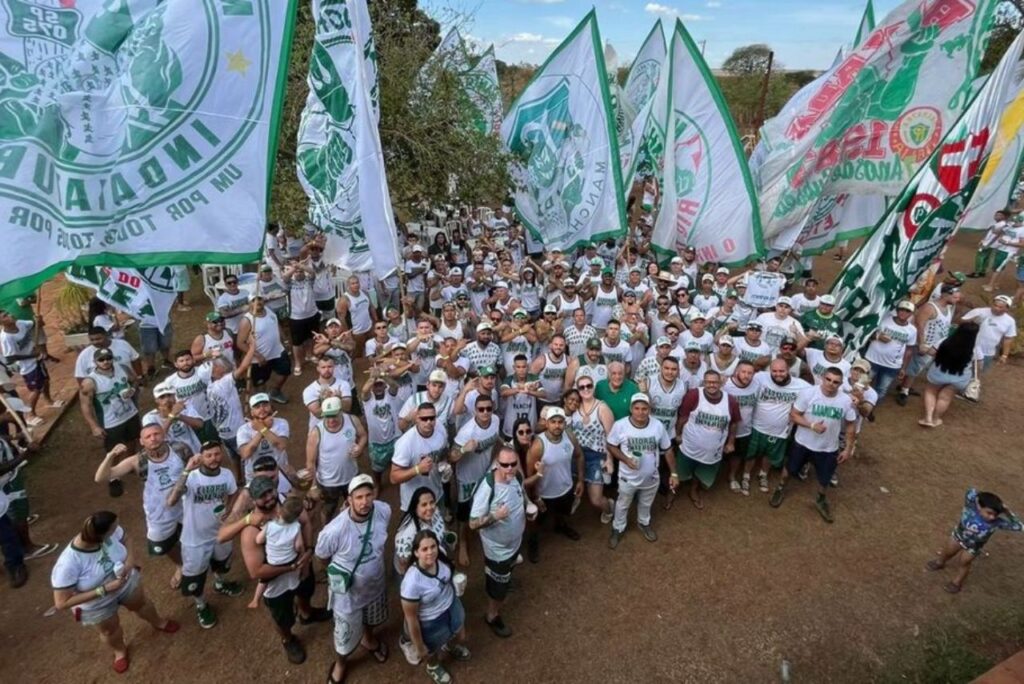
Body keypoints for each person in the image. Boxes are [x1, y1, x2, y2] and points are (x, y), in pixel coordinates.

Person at [50, 511, 179, 674]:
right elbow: (61, 603)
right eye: (114, 529)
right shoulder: (68, 564)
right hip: (96, 603)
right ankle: (120, 651)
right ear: (101, 536)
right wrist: (103, 589)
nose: (117, 530)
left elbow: (127, 538)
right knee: (109, 630)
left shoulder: (106, 532)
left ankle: (159, 622)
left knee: (142, 603)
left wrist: (130, 562)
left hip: (125, 582)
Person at [234, 475, 322, 665]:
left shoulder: (288, 507)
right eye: (262, 496)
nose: (268, 498)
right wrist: (290, 567)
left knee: (306, 591)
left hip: (300, 567)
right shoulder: (251, 530)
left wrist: (308, 552)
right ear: (253, 500)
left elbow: (305, 522)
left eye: (270, 491)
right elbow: (256, 572)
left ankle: (306, 614)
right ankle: (288, 639)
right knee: (282, 617)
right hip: (277, 583)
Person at [94, 420, 192, 590]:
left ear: (164, 435)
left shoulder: (180, 449)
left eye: (156, 434)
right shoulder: (136, 461)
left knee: (195, 532)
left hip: (186, 503)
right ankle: (180, 565)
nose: (153, 438)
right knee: (162, 545)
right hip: (159, 511)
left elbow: (196, 469)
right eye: (148, 436)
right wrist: (110, 456)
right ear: (141, 441)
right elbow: (101, 478)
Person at [316, 474, 391, 684]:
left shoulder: (383, 510)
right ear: (349, 499)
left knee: (372, 619)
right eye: (359, 497)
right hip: (348, 595)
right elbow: (322, 557)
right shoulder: (334, 530)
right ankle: (341, 664)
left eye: (368, 495)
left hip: (375, 584)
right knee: (344, 635)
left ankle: (368, 639)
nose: (364, 502)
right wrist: (337, 574)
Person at [167, 440, 243, 628]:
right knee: (195, 577)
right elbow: (172, 499)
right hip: (195, 538)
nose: (213, 459)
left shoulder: (226, 475)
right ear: (201, 457)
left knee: (222, 563)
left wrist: (229, 506)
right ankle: (201, 605)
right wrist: (186, 470)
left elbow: (233, 492)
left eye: (217, 454)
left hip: (219, 532)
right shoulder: (192, 477)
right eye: (208, 455)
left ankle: (220, 583)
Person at [769, 368, 857, 523]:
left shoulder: (846, 401)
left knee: (825, 477)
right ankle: (781, 488)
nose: (831, 384)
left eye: (836, 382)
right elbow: (793, 415)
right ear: (823, 378)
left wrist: (848, 448)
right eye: (828, 379)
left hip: (828, 447)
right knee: (790, 469)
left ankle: (821, 498)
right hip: (802, 443)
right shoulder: (808, 393)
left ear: (840, 384)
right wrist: (811, 425)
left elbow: (850, 425)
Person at [470, 446, 530, 638]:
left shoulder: (517, 477)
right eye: (505, 465)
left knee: (508, 570)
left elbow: (522, 494)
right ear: (497, 464)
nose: (510, 469)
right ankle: (492, 615)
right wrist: (495, 516)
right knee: (498, 588)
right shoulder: (488, 486)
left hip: (514, 541)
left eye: (513, 464)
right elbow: (472, 523)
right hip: (497, 549)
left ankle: (505, 579)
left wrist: (530, 506)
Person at [400, 529, 471, 682]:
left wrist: (458, 580)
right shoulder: (411, 583)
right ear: (416, 552)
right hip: (431, 621)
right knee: (430, 651)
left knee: (461, 635)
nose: (430, 552)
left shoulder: (442, 557)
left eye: (433, 547)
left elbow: (450, 572)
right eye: (424, 549)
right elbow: (411, 619)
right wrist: (419, 647)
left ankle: (450, 647)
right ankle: (432, 666)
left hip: (452, 605)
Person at [926, 488, 1022, 593]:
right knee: (948, 551)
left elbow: (1019, 526)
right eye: (989, 512)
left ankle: (956, 583)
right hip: (958, 537)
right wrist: (983, 497)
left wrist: (1007, 511)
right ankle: (940, 562)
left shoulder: (997, 522)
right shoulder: (970, 507)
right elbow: (971, 491)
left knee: (964, 562)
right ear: (980, 506)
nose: (992, 517)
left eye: (995, 514)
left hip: (973, 547)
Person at [607, 393, 672, 548]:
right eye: (637, 408)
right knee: (623, 504)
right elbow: (611, 445)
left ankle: (644, 523)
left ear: (649, 409)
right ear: (631, 409)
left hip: (651, 477)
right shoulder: (620, 425)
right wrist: (625, 459)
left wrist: (674, 473)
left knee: (646, 503)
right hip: (627, 477)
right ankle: (618, 528)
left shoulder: (657, 425)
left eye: (644, 408)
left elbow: (667, 450)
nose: (640, 412)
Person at [672, 370, 740, 510]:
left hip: (713, 450)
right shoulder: (694, 395)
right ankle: (672, 493)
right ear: (704, 382)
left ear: (720, 383)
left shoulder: (731, 401)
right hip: (689, 445)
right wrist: (678, 434)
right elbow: (683, 418)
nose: (712, 385)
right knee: (679, 471)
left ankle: (693, 490)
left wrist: (731, 442)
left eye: (715, 382)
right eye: (708, 382)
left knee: (702, 473)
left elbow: (733, 423)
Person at [79, 347, 140, 498]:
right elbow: (85, 405)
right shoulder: (90, 382)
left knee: (132, 441)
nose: (105, 362)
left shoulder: (122, 368)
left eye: (108, 358)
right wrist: (94, 426)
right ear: (95, 362)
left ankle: (130, 464)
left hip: (130, 414)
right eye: (101, 359)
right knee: (114, 451)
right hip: (111, 422)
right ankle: (113, 477)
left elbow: (135, 381)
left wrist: (132, 390)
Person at [525, 406, 584, 562]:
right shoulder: (538, 444)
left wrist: (580, 480)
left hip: (565, 488)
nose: (557, 425)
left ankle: (560, 526)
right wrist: (535, 496)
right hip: (544, 493)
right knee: (536, 521)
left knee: (562, 512)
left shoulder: (570, 436)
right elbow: (530, 472)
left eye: (560, 422)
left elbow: (579, 456)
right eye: (553, 422)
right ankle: (532, 543)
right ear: (546, 423)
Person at [745, 359, 811, 493]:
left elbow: (817, 393)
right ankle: (746, 476)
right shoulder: (760, 377)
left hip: (780, 431)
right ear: (770, 370)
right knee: (751, 454)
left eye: (781, 371)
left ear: (788, 371)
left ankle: (763, 475)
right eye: (774, 371)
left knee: (770, 455)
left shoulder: (801, 386)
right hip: (757, 426)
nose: (778, 374)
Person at [451, 394, 501, 567]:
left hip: (485, 474)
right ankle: (463, 543)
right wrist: (465, 448)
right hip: (467, 478)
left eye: (489, 408)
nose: (485, 412)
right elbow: (452, 457)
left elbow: (495, 439)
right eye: (481, 409)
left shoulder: (495, 420)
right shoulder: (467, 431)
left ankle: (484, 533)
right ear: (475, 411)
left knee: (484, 505)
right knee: (464, 514)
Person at [306, 396, 366, 524]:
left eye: (334, 415)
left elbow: (363, 435)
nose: (331, 420)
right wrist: (313, 486)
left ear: (341, 411)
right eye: (327, 416)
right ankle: (327, 532)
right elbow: (310, 462)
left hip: (351, 476)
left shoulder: (352, 420)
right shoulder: (316, 432)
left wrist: (360, 447)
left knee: (356, 505)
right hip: (328, 483)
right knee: (328, 510)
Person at [896, 284, 958, 405]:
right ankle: (904, 391)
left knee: (917, 367)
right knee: (913, 367)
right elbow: (919, 325)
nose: (957, 300)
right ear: (946, 295)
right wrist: (922, 344)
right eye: (955, 297)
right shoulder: (930, 307)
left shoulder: (949, 308)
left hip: (934, 345)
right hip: (924, 345)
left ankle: (905, 387)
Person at [568, 376, 615, 523]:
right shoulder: (575, 407)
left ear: (593, 387)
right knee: (571, 485)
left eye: (588, 385)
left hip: (596, 456)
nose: (586, 389)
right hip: (576, 455)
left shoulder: (602, 408)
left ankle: (609, 508)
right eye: (581, 387)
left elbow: (611, 437)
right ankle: (576, 499)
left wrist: (609, 460)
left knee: (596, 499)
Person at [920, 321, 982, 427]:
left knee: (930, 392)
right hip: (959, 378)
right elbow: (979, 365)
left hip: (938, 373)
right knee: (945, 398)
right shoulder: (975, 349)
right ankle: (936, 419)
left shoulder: (944, 341)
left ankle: (928, 418)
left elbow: (931, 352)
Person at [248, 495, 305, 609]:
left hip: (273, 562)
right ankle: (300, 577)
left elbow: (258, 540)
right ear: (297, 516)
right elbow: (298, 546)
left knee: (263, 581)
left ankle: (255, 599)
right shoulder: (297, 526)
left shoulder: (270, 525)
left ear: (280, 510)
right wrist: (300, 552)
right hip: (290, 559)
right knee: (298, 566)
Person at [392, 402, 450, 511]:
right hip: (414, 502)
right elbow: (394, 477)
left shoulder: (440, 429)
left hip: (436, 494)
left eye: (432, 418)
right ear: (417, 419)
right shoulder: (405, 443)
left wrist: (444, 464)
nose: (428, 422)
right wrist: (417, 469)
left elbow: (443, 451)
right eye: (424, 418)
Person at [237, 293, 291, 404]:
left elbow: (277, 325)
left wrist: (284, 340)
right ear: (249, 303)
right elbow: (240, 343)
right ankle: (263, 405)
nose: (258, 302)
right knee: (260, 384)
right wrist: (257, 355)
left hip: (277, 351)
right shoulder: (247, 320)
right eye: (254, 300)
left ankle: (275, 392)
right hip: (259, 358)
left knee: (285, 371)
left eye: (260, 299)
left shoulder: (269, 310)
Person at [237, 393, 294, 492]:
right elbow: (245, 454)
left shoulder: (282, 423)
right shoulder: (243, 430)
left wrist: (262, 429)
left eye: (265, 405)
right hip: (255, 476)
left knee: (284, 502)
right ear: (252, 412)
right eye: (257, 407)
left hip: (279, 474)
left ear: (270, 407)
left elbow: (281, 445)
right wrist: (262, 430)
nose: (262, 409)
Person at [864, 300, 918, 401]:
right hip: (872, 360)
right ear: (897, 310)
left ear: (911, 314)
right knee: (863, 385)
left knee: (881, 389)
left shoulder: (912, 330)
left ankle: (869, 409)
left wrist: (903, 368)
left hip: (892, 365)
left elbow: (909, 350)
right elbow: (866, 332)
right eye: (902, 309)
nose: (904, 313)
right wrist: (878, 336)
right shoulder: (884, 319)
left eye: (907, 311)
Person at [361, 370, 401, 489]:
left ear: (384, 385)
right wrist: (373, 378)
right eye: (375, 385)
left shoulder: (390, 395)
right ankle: (377, 484)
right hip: (376, 441)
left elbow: (394, 385)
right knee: (377, 467)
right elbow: (364, 390)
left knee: (398, 459)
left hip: (394, 437)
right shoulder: (368, 400)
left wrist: (383, 375)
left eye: (380, 384)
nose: (378, 387)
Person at [724, 360, 759, 495]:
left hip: (745, 430)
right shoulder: (725, 384)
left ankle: (732, 476)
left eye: (750, 373)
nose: (746, 375)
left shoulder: (756, 385)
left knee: (737, 455)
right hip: (724, 429)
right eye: (743, 372)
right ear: (736, 371)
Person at [282, 260, 321, 373]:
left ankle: (309, 355)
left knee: (310, 337)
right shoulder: (290, 283)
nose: (299, 273)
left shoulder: (309, 280)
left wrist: (300, 266)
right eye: (296, 272)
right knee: (297, 343)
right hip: (296, 317)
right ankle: (298, 363)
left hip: (312, 314)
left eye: (301, 271)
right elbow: (285, 276)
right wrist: (294, 267)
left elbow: (312, 272)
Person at [961, 294, 1016, 370]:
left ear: (1007, 309)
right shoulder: (978, 312)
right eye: (995, 305)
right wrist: (971, 320)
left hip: (988, 352)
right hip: (968, 348)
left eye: (1000, 307)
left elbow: (1008, 338)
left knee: (979, 371)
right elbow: (959, 323)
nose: (996, 308)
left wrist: (1004, 355)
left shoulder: (1010, 321)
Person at [73, 326, 141, 384]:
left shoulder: (122, 344)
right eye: (92, 340)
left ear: (106, 335)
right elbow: (80, 376)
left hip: (128, 384)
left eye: (98, 339)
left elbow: (135, 359)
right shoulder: (84, 355)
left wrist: (140, 376)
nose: (95, 342)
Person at [336, 276, 377, 358]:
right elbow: (342, 318)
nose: (355, 285)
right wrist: (347, 334)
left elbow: (371, 307)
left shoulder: (365, 293)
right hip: (357, 332)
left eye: (357, 282)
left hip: (369, 327)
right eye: (353, 283)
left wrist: (375, 320)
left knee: (372, 349)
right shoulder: (344, 299)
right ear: (348, 285)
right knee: (358, 353)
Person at [967, 210, 1008, 278]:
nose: (996, 216)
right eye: (996, 214)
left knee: (979, 257)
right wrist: (983, 240)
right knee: (986, 258)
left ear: (1003, 217)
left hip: (989, 244)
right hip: (991, 244)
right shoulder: (1001, 224)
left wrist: (987, 244)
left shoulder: (1001, 224)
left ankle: (977, 273)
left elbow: (997, 235)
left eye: (998, 215)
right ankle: (983, 272)